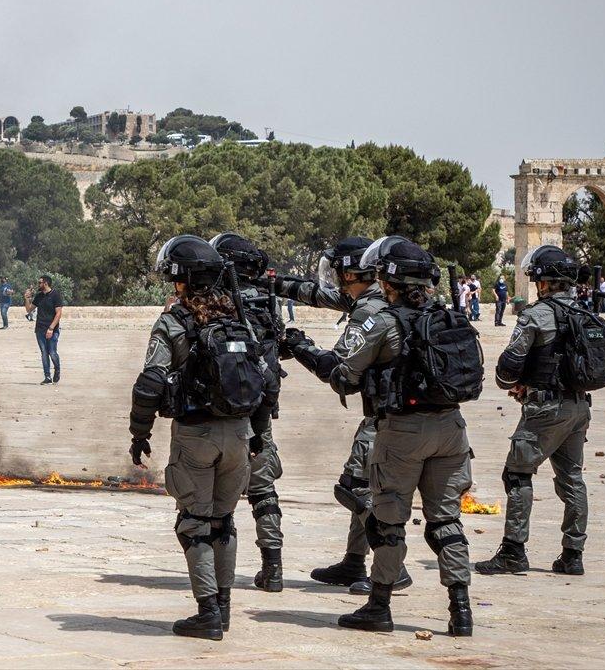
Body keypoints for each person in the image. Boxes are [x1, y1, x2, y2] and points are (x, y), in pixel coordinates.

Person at [290, 236, 480, 637]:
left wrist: (302, 347)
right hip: (452, 430)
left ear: (388, 281)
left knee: (389, 520)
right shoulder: (447, 317)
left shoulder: (383, 322)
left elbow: (342, 374)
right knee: (445, 521)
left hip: (402, 431)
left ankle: (379, 606)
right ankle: (461, 611)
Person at [126, 235, 276, 640]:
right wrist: (259, 433)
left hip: (196, 435)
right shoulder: (238, 318)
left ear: (182, 280)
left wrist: (139, 432)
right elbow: (267, 381)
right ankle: (223, 609)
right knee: (224, 522)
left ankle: (207, 612)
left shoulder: (174, 322)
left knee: (193, 524)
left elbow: (149, 383)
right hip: (240, 435)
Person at [274, 236, 412, 596]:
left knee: (354, 488)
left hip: (386, 416)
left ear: (353, 274)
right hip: (395, 411)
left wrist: (299, 346)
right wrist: (271, 282)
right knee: (363, 484)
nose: (334, 279)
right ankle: (354, 560)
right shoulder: (379, 297)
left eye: (338, 272)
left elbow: (336, 371)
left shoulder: (369, 311)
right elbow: (315, 294)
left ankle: (393, 567)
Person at [476, 245, 605, 579]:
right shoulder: (585, 313)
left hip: (545, 409)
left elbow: (510, 364)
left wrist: (513, 381)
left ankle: (513, 551)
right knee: (572, 479)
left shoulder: (536, 315)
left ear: (544, 282)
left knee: (517, 474)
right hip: (579, 407)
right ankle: (573, 554)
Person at [210, 233, 285, 592]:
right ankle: (274, 568)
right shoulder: (264, 304)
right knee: (264, 493)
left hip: (225, 416)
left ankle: (214, 579)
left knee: (215, 500)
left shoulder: (217, 303)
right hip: (260, 413)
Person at [25, 275, 63, 384]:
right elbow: (29, 309)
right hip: (40, 329)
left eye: (39, 282)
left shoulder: (56, 295)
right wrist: (27, 298)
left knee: (52, 352)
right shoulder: (39, 296)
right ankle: (47, 377)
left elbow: (58, 313)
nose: (38, 284)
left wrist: (51, 328)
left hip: (52, 329)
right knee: (44, 353)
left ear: (45, 283)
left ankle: (57, 369)